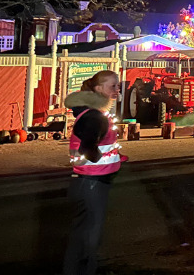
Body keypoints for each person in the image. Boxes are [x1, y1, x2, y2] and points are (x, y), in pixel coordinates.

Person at [63, 70, 125, 275]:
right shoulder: (95, 117)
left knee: (83, 236)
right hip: (91, 183)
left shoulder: (90, 112)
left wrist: (115, 158)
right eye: (112, 86)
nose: (117, 89)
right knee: (88, 239)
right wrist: (104, 161)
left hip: (87, 182)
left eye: (117, 85)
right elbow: (88, 149)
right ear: (98, 89)